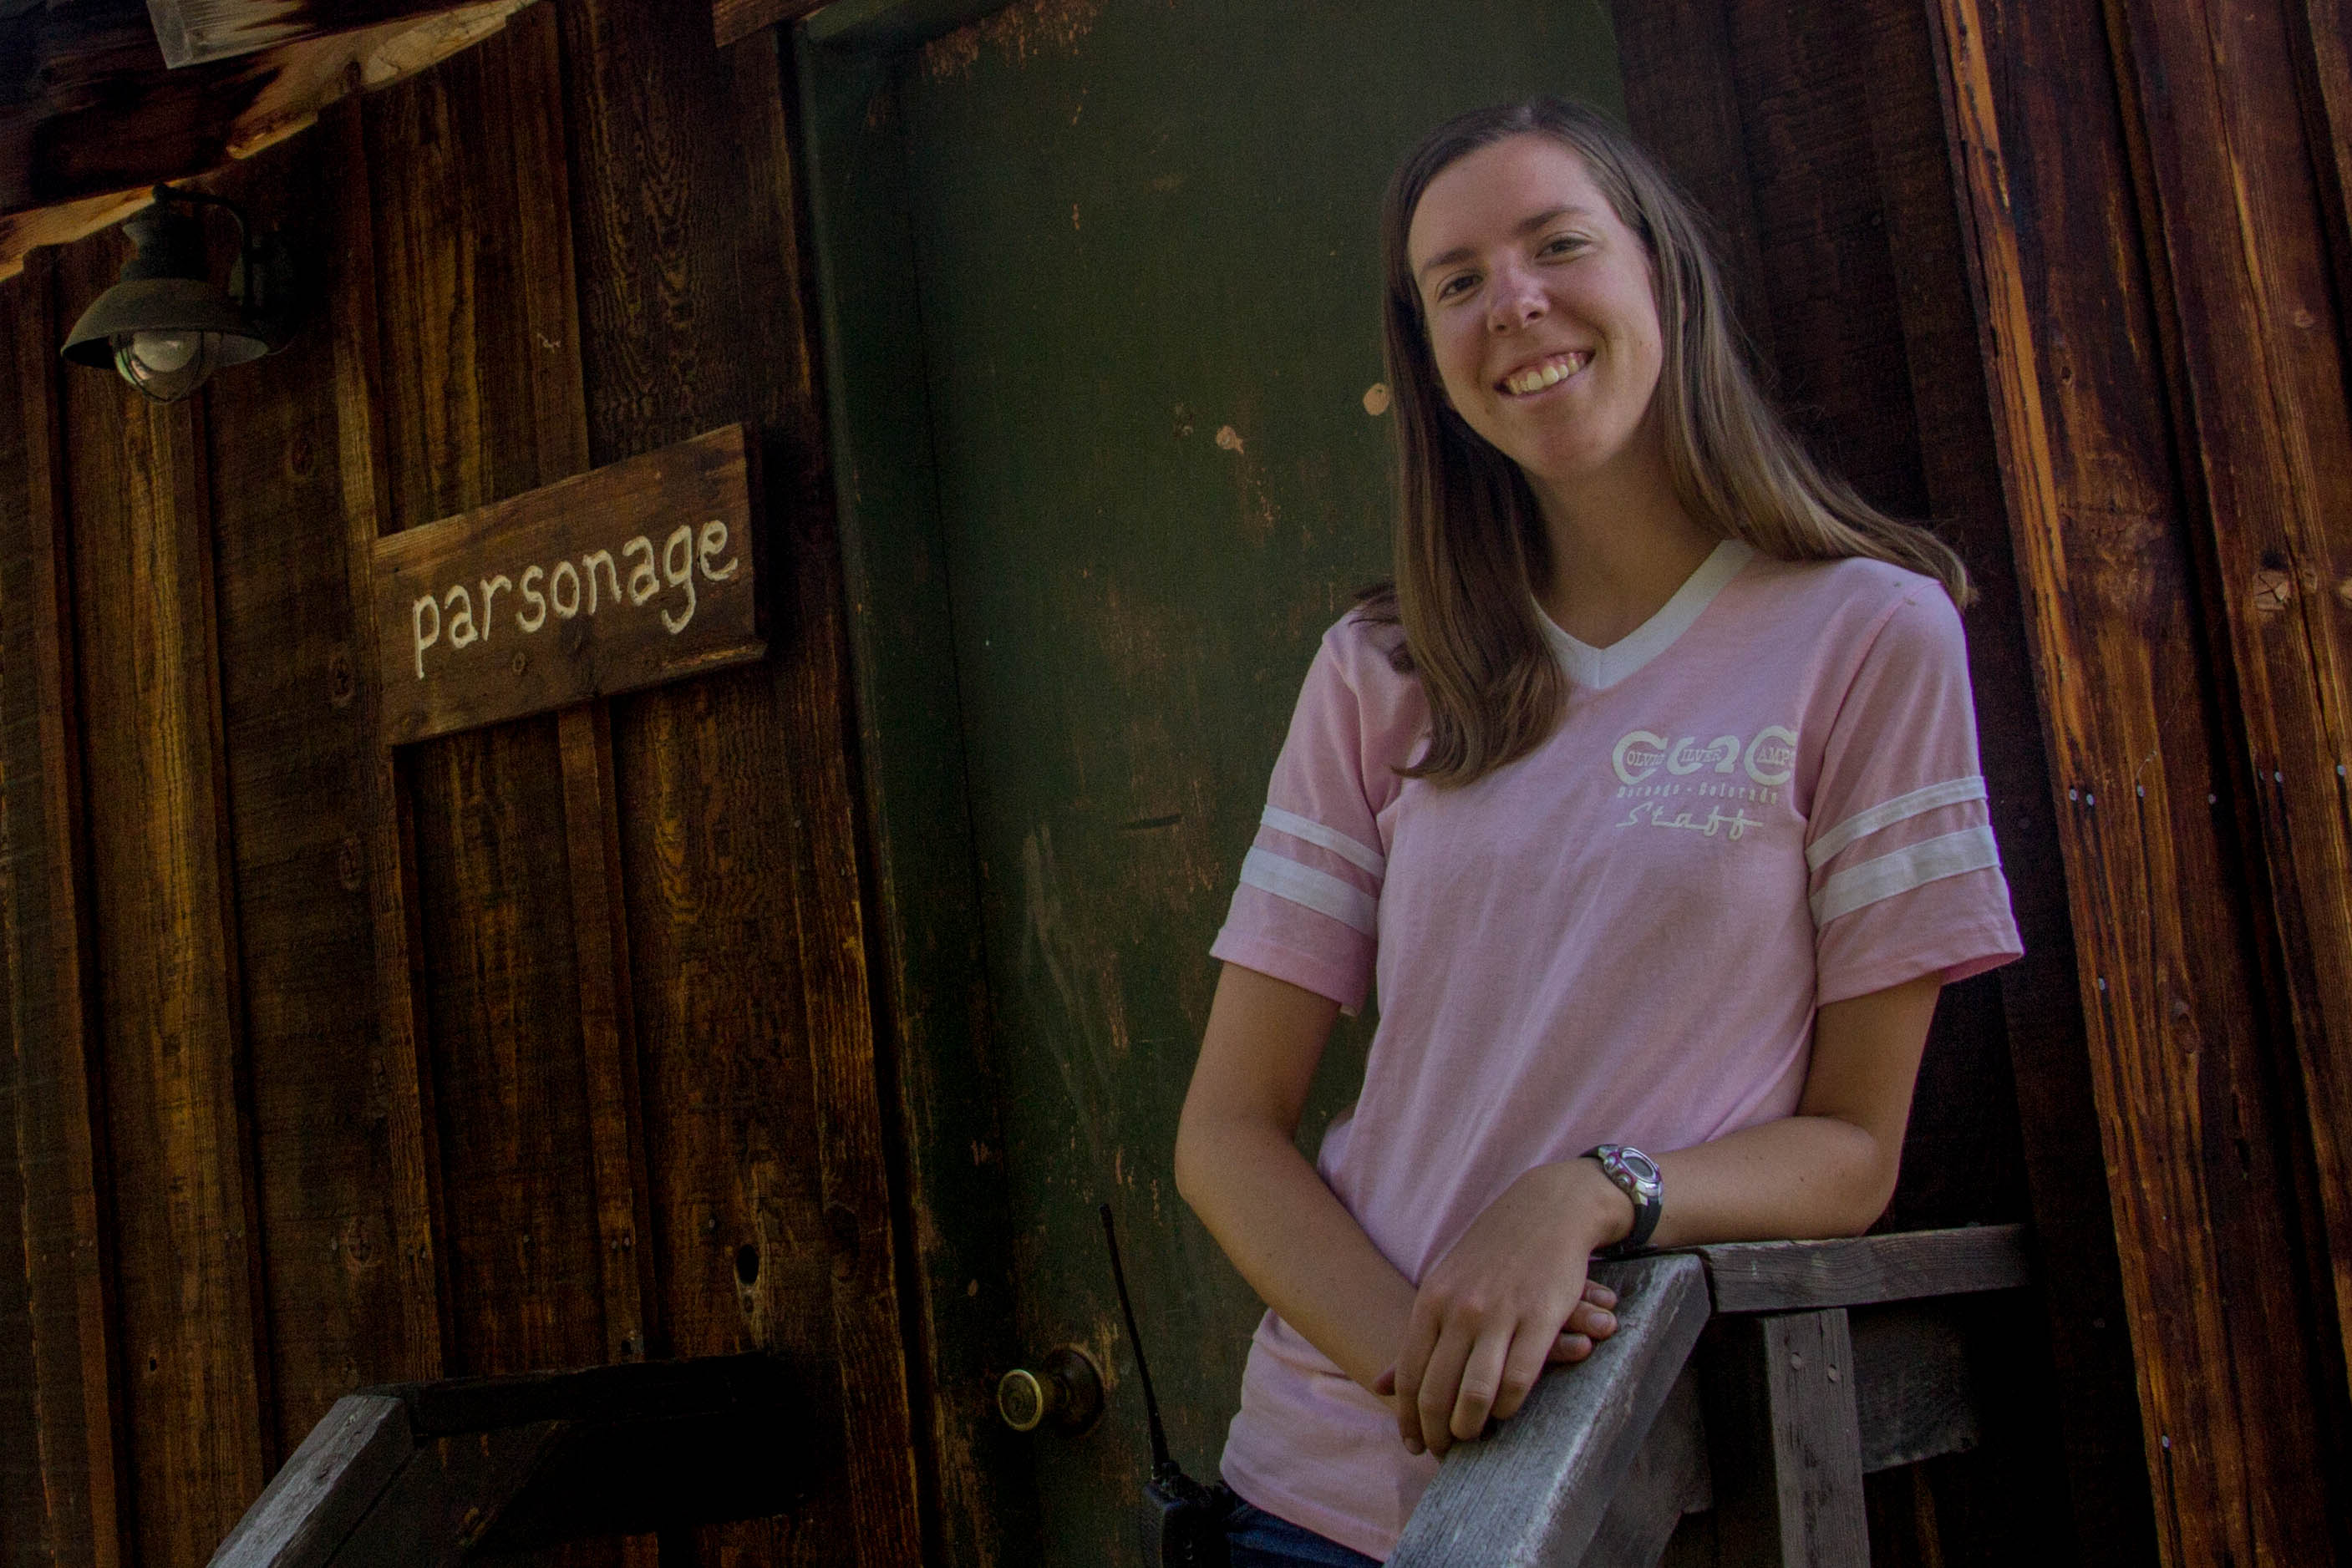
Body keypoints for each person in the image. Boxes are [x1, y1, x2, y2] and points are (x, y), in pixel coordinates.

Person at [1171, 98, 2023, 1567]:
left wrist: (1590, 1193)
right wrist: (1430, 1364)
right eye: (1456, 280)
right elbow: (1226, 1134)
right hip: (1315, 1497)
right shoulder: (1383, 669)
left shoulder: (1869, 637)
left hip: (1646, 1490)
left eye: (1557, 244)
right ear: (1431, 361)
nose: (1513, 301)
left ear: (1661, 275)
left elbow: (1849, 1151)